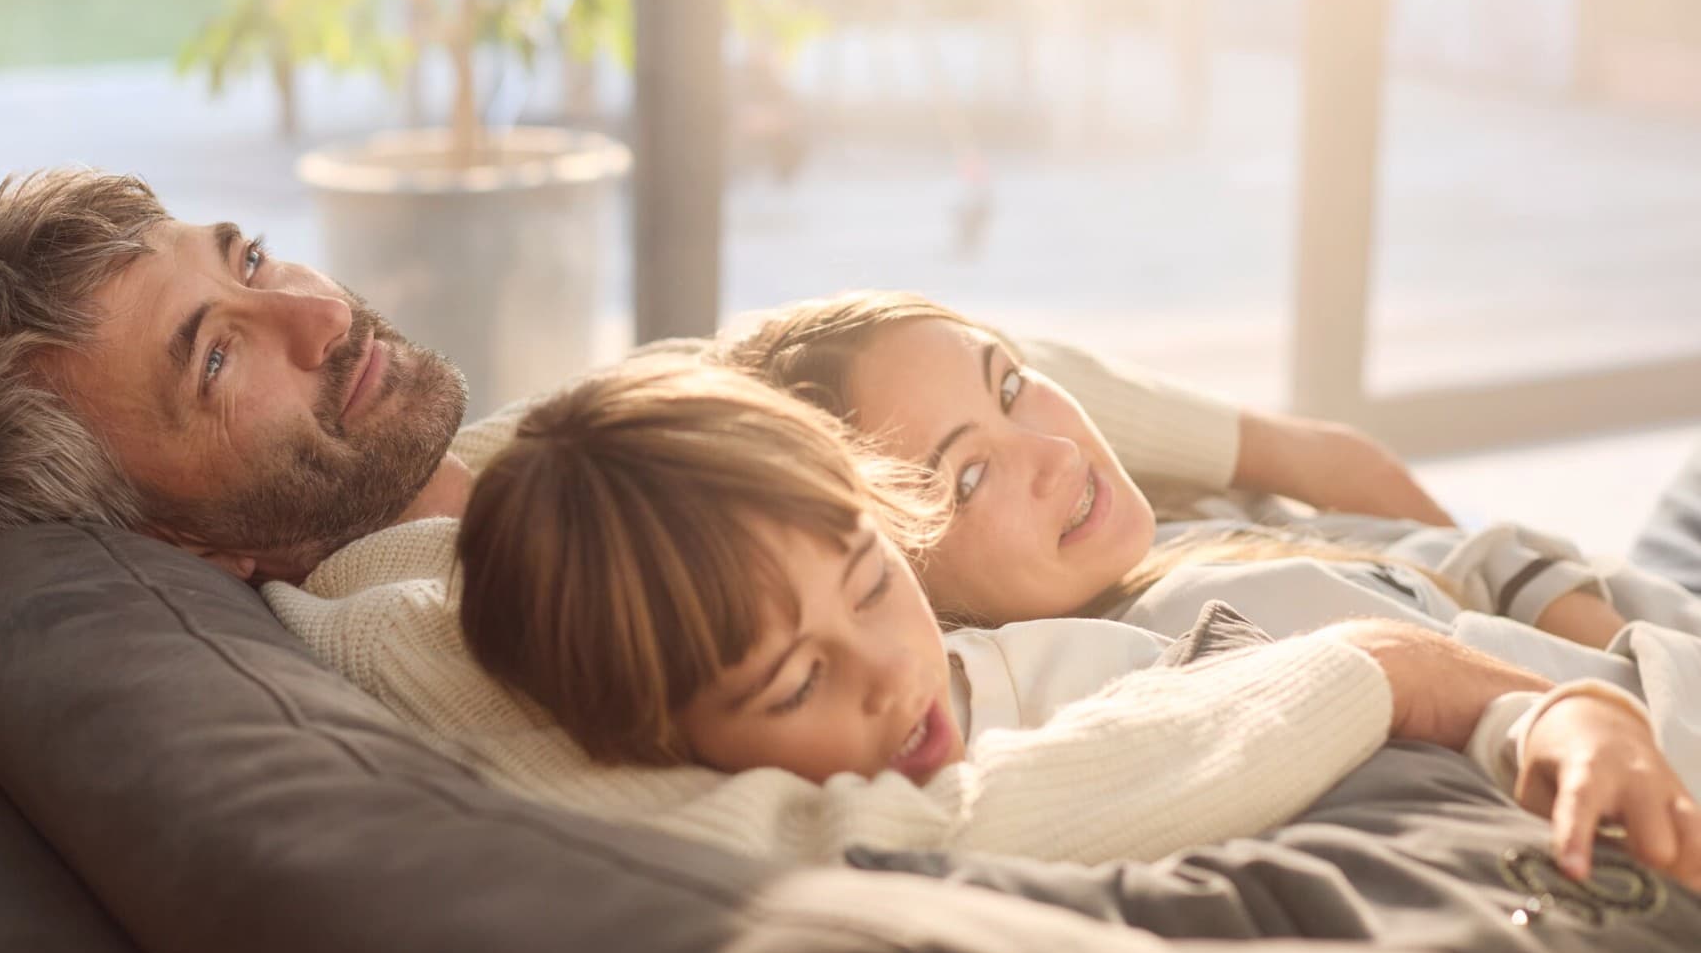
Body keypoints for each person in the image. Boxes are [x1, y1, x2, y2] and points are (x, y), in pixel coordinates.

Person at [0, 168, 1622, 868]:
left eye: (253, 258)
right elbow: (860, 835)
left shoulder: (504, 454)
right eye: (217, 357)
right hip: (1352, 667)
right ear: (181, 542)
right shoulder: (422, 631)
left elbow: (813, 367)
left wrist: (1284, 445)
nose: (314, 314)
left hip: (1344, 576)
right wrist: (1386, 673)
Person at [726, 290, 1701, 787]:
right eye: (968, 476)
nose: (1055, 454)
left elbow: (1468, 554)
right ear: (897, 575)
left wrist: (1608, 632)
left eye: (1012, 384)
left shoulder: (1180, 524)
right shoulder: (1134, 673)